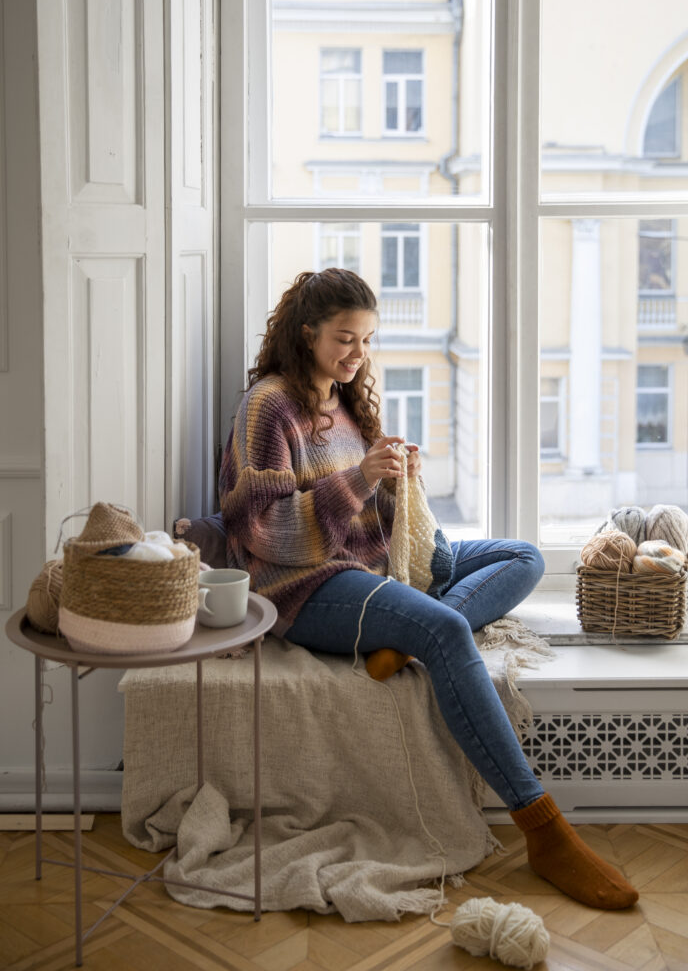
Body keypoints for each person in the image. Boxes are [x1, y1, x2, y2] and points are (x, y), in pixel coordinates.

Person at [219, 268, 638, 912]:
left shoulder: (347, 397)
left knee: (522, 556)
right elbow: (263, 529)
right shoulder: (269, 407)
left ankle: (409, 637)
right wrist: (360, 478)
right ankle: (544, 829)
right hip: (306, 584)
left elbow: (370, 509)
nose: (359, 354)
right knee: (446, 630)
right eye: (345, 339)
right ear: (306, 335)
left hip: (379, 562)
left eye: (367, 340)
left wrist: (393, 480)